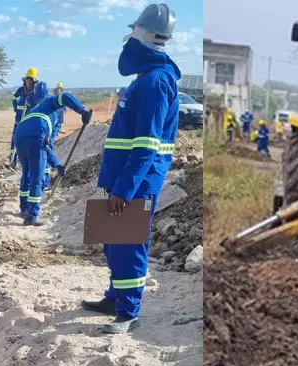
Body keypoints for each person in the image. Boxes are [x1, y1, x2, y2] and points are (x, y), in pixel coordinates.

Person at [81, 3, 179, 334]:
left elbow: (146, 145)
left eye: (132, 33)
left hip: (136, 183)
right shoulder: (145, 79)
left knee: (129, 246)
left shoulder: (155, 82)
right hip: (124, 179)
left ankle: (128, 313)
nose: (127, 41)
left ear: (142, 35)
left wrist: (124, 189)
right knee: (114, 241)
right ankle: (115, 297)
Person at [13, 90, 91, 225]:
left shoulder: (37, 110)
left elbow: (45, 146)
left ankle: (24, 209)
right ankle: (32, 215)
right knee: (37, 176)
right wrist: (82, 111)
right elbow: (65, 96)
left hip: (19, 135)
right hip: (35, 133)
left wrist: (56, 164)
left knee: (26, 173)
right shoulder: (50, 103)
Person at [10, 68, 48, 167]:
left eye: (31, 80)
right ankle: (12, 158)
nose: (29, 82)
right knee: (15, 137)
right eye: (28, 79)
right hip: (18, 119)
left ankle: (25, 159)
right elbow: (14, 97)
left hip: (28, 119)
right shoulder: (20, 90)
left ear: (33, 81)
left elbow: (36, 103)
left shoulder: (35, 92)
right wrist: (15, 107)